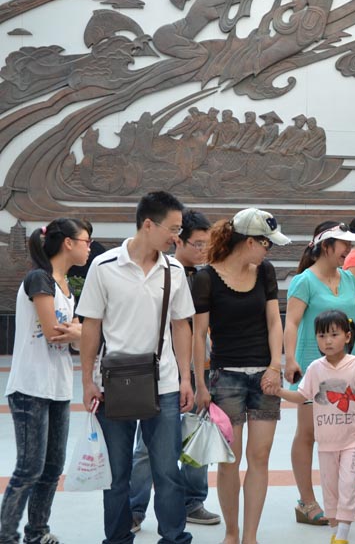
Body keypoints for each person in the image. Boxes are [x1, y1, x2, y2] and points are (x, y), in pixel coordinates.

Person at [77, 191, 196, 544]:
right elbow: (91, 326)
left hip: (165, 384)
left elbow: (181, 326)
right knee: (116, 475)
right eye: (173, 229)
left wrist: (186, 378)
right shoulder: (104, 266)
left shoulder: (174, 270)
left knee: (167, 471)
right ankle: (116, 538)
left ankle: (173, 537)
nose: (177, 237)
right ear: (148, 225)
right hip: (114, 384)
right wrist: (87, 381)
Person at [192, 209, 288, 544]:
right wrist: (200, 383)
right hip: (226, 377)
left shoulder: (265, 272)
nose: (268, 250)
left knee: (260, 457)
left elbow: (274, 321)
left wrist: (275, 365)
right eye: (266, 244)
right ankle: (231, 533)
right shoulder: (206, 278)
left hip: (264, 376)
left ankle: (250, 536)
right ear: (249, 242)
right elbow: (199, 334)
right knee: (229, 460)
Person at [130, 210, 220, 532]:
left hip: (201, 368)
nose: (204, 251)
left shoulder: (208, 277)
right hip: (163, 370)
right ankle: (134, 508)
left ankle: (192, 501)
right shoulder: (162, 272)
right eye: (198, 244)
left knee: (197, 436)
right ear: (178, 241)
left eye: (207, 244)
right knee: (147, 445)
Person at [1, 219, 88, 544]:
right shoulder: (39, 278)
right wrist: (81, 332)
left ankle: (37, 532)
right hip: (30, 387)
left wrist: (78, 333)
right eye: (85, 241)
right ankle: (6, 535)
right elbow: (54, 333)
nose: (88, 247)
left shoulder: (65, 286)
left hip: (59, 387)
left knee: (52, 468)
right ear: (68, 243)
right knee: (29, 468)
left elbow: (75, 340)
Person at [284, 222, 355, 525]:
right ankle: (306, 501)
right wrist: (289, 359)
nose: (348, 250)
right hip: (313, 367)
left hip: (348, 368)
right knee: (309, 433)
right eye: (343, 245)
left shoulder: (348, 278)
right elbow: (291, 322)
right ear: (326, 246)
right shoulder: (304, 281)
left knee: (345, 434)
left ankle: (341, 501)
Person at [268, 310, 355, 544]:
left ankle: (342, 535)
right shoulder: (315, 368)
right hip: (326, 442)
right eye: (322, 336)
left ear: (347, 336)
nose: (327, 341)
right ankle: (336, 528)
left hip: (354, 439)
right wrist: (279, 392)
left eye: (334, 335)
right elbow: (301, 396)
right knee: (330, 488)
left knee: (347, 483)